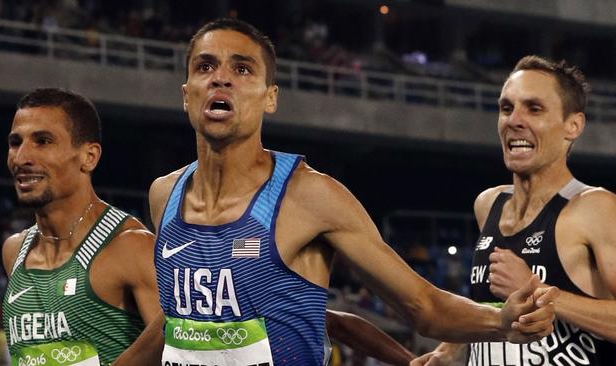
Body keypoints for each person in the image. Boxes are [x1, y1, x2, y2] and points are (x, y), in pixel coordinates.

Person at [147, 19, 558, 365]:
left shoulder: (310, 196)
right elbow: (174, 325)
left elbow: (423, 305)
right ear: (187, 95)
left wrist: (500, 321)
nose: (220, 78)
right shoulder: (164, 196)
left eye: (242, 69)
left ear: (270, 98)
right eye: (205, 67)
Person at [411, 56, 616, 366]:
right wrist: (451, 350)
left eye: (534, 109)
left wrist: (539, 291)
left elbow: (528, 293)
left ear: (573, 125)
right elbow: (492, 306)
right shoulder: (488, 205)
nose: (514, 120)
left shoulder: (594, 208)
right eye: (507, 108)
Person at [1, 88, 160, 365]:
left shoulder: (131, 247)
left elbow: (180, 353)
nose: (21, 158)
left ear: (89, 156)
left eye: (43, 141)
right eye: (16, 143)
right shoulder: (14, 251)